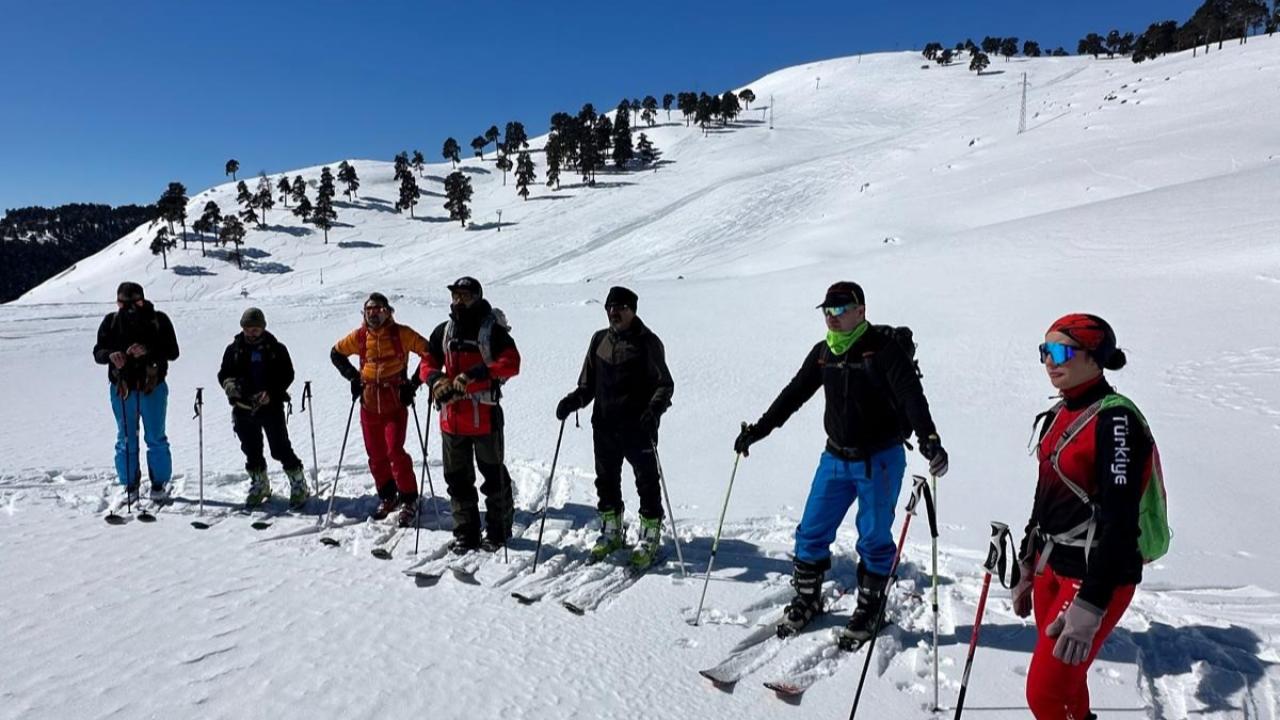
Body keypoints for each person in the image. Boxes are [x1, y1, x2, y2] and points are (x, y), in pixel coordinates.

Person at [733, 281, 949, 641]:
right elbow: (793, 395)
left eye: (839, 311)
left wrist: (929, 439)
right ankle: (807, 600)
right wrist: (758, 430)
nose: (831, 318)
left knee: (875, 536)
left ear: (861, 311)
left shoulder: (883, 351)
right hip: (834, 458)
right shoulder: (824, 352)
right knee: (811, 529)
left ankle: (869, 608)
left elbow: (911, 396)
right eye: (827, 312)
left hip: (879, 461)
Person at [1014, 314, 1153, 720]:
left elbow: (1123, 521)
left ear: (1095, 358)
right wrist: (1027, 558)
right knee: (1068, 687)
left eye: (1060, 351)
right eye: (1044, 352)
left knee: (1045, 695)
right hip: (1050, 567)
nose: (1049, 362)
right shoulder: (1059, 414)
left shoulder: (1115, 422)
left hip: (1095, 575)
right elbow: (1044, 497)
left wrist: (1091, 602)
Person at [555, 286, 675, 570]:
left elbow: (664, 384)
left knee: (646, 481)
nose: (614, 312)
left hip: (638, 427)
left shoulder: (648, 342)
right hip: (605, 425)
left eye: (620, 307)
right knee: (606, 480)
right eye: (610, 307)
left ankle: (649, 536)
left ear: (633, 310)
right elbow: (588, 384)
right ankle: (611, 532)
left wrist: (653, 410)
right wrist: (574, 400)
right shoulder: (599, 340)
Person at [419, 277, 521, 554]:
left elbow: (511, 363)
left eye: (464, 295)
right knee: (457, 480)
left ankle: (499, 531)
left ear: (477, 297)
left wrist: (475, 374)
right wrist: (436, 380)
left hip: (485, 417)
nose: (458, 300)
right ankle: (466, 532)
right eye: (455, 295)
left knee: (494, 477)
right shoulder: (444, 331)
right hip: (451, 419)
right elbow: (426, 363)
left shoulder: (492, 331)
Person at [330, 293, 431, 527]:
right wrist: (353, 377)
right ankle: (388, 495)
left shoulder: (402, 334)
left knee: (395, 451)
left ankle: (408, 498)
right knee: (375, 456)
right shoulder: (359, 336)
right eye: (369, 310)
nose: (374, 314)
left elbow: (429, 353)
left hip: (394, 404)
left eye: (379, 309)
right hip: (368, 405)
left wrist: (413, 384)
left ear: (388, 311)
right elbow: (336, 353)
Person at [92, 281, 180, 506]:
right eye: (124, 303)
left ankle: (159, 483)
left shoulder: (158, 320)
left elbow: (173, 352)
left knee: (155, 437)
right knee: (126, 438)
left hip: (152, 387)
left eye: (135, 302)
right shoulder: (111, 322)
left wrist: (148, 350)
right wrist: (111, 355)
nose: (130, 308)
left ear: (142, 300)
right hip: (123, 388)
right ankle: (129, 484)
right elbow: (98, 352)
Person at [217, 307, 308, 509]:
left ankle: (299, 483)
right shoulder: (233, 349)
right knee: (251, 449)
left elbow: (287, 374)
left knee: (280, 447)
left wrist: (271, 393)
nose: (252, 332)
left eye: (256, 329)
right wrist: (229, 385)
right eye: (248, 328)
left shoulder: (276, 348)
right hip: (242, 407)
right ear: (242, 328)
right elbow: (224, 374)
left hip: (271, 406)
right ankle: (260, 484)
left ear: (263, 328)